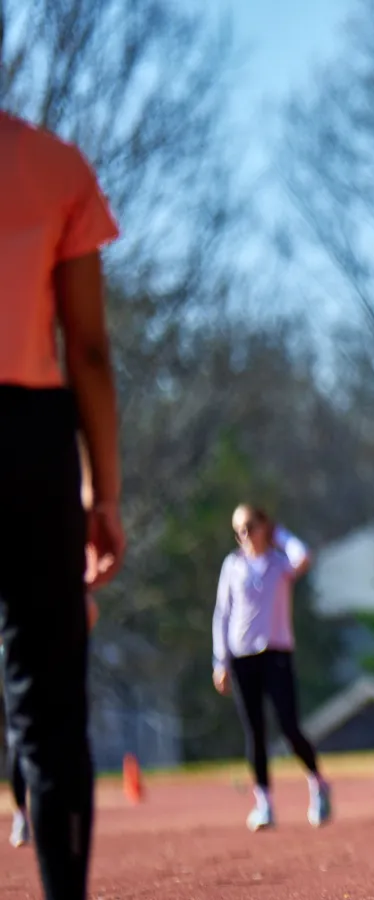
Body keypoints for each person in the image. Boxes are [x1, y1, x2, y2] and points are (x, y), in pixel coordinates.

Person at [0, 109, 125, 900]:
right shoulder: (53, 165)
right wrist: (102, 493)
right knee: (48, 708)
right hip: (28, 441)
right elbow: (86, 347)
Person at [212, 505, 330, 831]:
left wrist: (281, 535)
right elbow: (222, 613)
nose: (245, 535)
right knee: (256, 733)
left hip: (276, 653)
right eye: (239, 529)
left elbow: (303, 556)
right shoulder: (232, 566)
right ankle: (264, 803)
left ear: (264, 526)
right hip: (242, 657)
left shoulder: (280, 564)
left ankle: (317, 783)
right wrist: (220, 661)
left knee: (289, 727)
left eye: (250, 526)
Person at [7, 595, 97, 850]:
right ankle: (22, 814)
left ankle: (64, 815)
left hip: (54, 664)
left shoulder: (57, 570)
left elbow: (90, 610)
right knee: (19, 740)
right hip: (17, 665)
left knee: (61, 736)